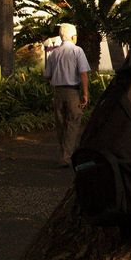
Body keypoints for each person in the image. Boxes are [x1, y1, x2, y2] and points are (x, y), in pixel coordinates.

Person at [44, 23, 90, 167]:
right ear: (73, 36)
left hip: (58, 92)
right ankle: (66, 157)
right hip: (72, 92)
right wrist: (85, 93)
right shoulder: (77, 51)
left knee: (61, 123)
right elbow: (83, 73)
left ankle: (64, 153)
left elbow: (47, 75)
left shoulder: (54, 53)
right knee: (73, 123)